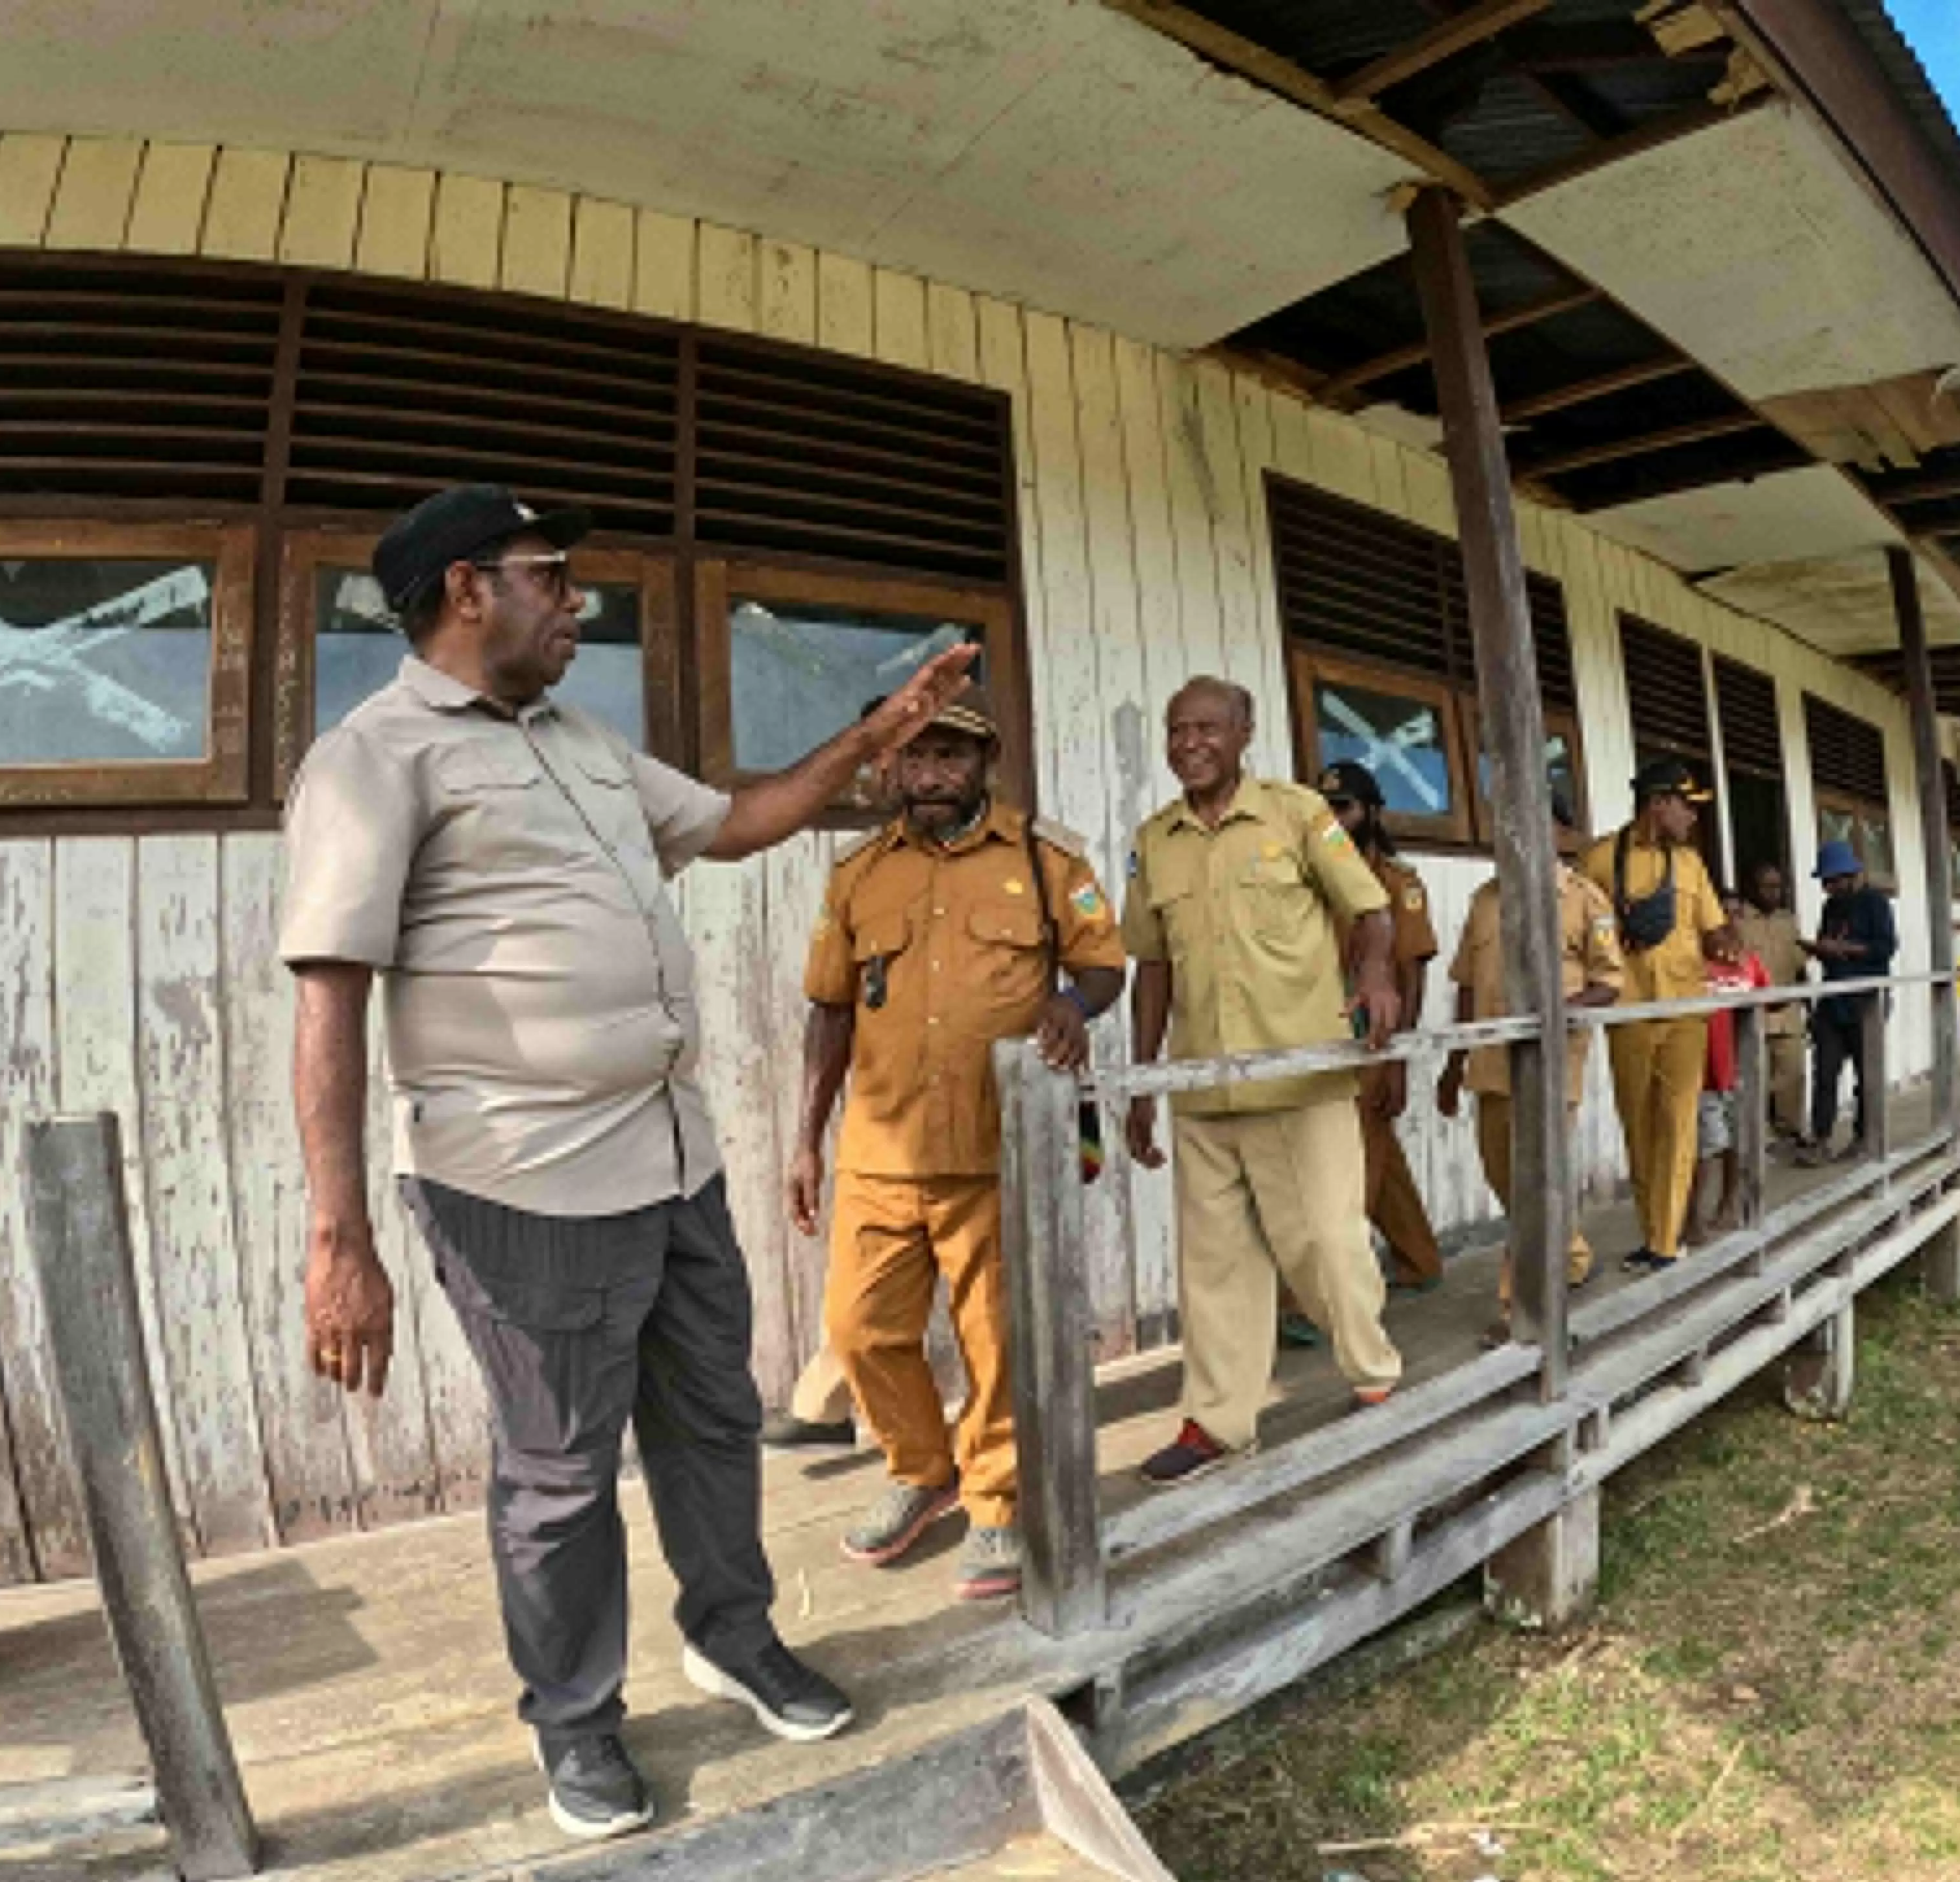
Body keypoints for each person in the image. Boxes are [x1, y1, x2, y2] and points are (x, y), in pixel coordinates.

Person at [282, 484, 976, 1841]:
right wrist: (338, 1236)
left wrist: (876, 733)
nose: (578, 598)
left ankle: (731, 1633)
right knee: (559, 1474)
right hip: (525, 1185)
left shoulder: (582, 741)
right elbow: (329, 997)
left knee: (714, 1419)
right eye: (552, 574)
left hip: (672, 1161)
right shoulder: (374, 759)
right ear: (468, 589)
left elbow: (744, 819)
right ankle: (577, 1722)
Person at [786, 689, 1126, 1602]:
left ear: (986, 764)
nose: (932, 773)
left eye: (952, 756)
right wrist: (807, 1139)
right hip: (879, 1149)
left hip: (994, 1146)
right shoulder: (857, 873)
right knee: (861, 1330)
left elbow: (1104, 961)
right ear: (887, 766)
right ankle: (920, 1467)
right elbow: (829, 1008)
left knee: (997, 1340)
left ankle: (998, 1497)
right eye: (915, 756)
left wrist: (1072, 1003)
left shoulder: (1043, 856)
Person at [1122, 678, 1406, 1489]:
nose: (1189, 743)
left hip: (1301, 1072)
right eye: (1177, 730)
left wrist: (1376, 974)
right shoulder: (1156, 839)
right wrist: (1146, 1080)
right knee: (1213, 1263)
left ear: (1243, 733)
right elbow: (1152, 966)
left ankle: (1371, 1371)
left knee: (1324, 1237)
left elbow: (1370, 906)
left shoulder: (1295, 814)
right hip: (1203, 1087)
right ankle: (1217, 1421)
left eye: (1207, 727)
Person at [1435, 857, 1625, 1346]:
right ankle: (1573, 1256)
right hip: (1491, 1064)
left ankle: (1520, 1307)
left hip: (1551, 1068)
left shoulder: (1585, 898)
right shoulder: (1485, 898)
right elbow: (1468, 985)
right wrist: (1454, 1062)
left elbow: (1608, 983)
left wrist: (1559, 1012)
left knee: (1532, 1182)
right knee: (1502, 1172)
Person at [1579, 757, 1735, 1272]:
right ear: (1658, 803)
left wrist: (1728, 943)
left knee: (1679, 1121)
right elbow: (1576, 928)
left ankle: (1666, 1242)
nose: (1692, 818)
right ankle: (1654, 1234)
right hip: (1628, 1011)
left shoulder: (1691, 864)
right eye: (1685, 806)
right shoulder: (1600, 860)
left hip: (1686, 1009)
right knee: (1639, 1126)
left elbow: (1714, 929)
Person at [1319, 760, 1444, 1294]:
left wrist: (1398, 1057)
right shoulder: (1308, 876)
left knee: (1350, 1165)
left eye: (1343, 808)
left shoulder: (1398, 883)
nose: (1333, 819)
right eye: (1325, 809)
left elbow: (1411, 973)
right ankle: (1421, 1259)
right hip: (1317, 1033)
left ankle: (1320, 1296)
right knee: (1377, 1155)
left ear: (1370, 812)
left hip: (1374, 1037)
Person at [1797, 840, 1898, 1166]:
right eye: (1825, 882)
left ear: (1849, 875)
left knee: (1867, 1074)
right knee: (1824, 1072)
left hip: (1866, 999)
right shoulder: (1831, 907)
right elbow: (1828, 944)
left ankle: (1865, 1138)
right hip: (1833, 996)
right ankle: (1821, 1139)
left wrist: (1846, 950)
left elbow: (1886, 947)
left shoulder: (1875, 902)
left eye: (1832, 881)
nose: (1827, 888)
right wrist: (1820, 949)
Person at [1688, 887, 1768, 1246]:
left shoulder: (1748, 961)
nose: (1732, 922)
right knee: (1703, 1147)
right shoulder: (1692, 962)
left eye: (1738, 914)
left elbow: (1771, 1000)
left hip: (1738, 1068)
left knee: (1737, 1139)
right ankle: (1692, 1218)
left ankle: (1729, 1203)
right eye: (1724, 914)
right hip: (1700, 1068)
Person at [1733, 862, 1811, 1148]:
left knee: (1793, 1073)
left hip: (1789, 1011)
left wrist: (1808, 1003)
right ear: (1753, 888)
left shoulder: (1788, 921)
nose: (1773, 893)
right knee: (1756, 1077)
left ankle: (1790, 1130)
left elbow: (1800, 965)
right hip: (1755, 1012)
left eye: (1777, 887)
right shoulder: (1740, 922)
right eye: (1767, 887)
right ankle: (1758, 1136)